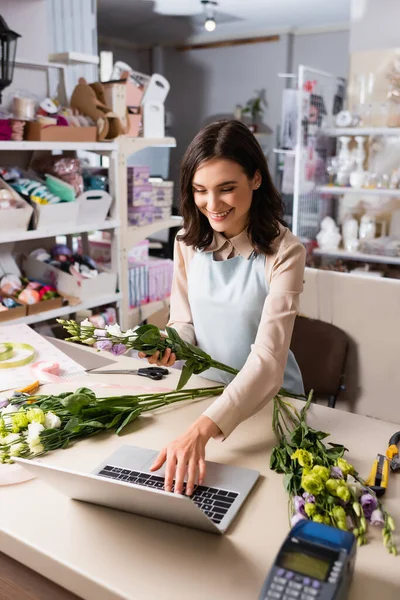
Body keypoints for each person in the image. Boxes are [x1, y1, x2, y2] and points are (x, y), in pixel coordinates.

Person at [139, 120, 306, 497]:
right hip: (207, 397)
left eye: (226, 189)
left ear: (256, 180)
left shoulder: (286, 253)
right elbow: (183, 321)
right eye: (200, 191)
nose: (212, 205)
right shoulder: (187, 241)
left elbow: (267, 361)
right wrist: (170, 344)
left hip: (270, 405)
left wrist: (202, 429)